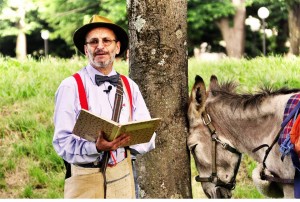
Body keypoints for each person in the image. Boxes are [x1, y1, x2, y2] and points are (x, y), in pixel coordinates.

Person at [52, 15, 156, 199]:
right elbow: (62, 143)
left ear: (117, 47)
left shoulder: (130, 86)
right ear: (86, 49)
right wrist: (96, 147)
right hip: (85, 179)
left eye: (106, 40)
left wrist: (126, 141)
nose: (100, 46)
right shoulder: (70, 86)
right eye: (93, 42)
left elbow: (149, 135)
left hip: (124, 176)